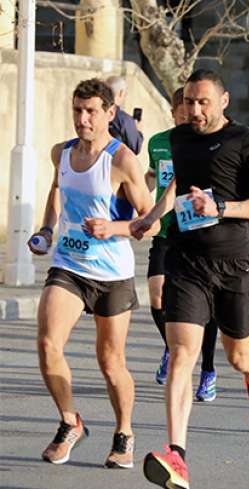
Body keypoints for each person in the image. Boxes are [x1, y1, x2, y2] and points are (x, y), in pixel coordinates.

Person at [132, 69, 249, 488]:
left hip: (235, 265)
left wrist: (221, 209)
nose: (194, 111)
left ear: (223, 101)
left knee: (239, 356)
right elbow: (177, 182)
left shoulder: (247, 141)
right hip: (188, 261)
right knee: (182, 354)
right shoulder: (180, 139)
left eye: (203, 103)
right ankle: (177, 454)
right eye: (189, 103)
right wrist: (151, 217)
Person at [28, 78, 153, 467]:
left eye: (91, 112)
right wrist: (48, 227)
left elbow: (151, 221)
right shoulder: (61, 153)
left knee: (111, 363)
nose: (83, 119)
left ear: (109, 114)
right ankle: (70, 422)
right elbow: (56, 190)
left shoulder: (121, 161)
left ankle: (124, 432)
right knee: (49, 346)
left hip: (112, 273)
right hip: (68, 264)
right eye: (77, 111)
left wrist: (112, 228)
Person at [145, 88, 219, 402]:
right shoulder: (159, 142)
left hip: (200, 232)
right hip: (166, 230)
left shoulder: (209, 144)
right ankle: (170, 345)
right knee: (156, 292)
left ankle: (208, 370)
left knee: (208, 306)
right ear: (175, 112)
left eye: (195, 107)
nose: (189, 115)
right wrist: (134, 194)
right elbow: (153, 176)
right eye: (183, 109)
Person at [106, 75, 144, 155]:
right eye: (125, 93)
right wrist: (139, 131)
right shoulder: (124, 119)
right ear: (121, 93)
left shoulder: (98, 113)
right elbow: (135, 147)